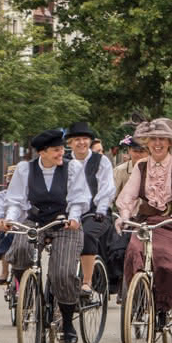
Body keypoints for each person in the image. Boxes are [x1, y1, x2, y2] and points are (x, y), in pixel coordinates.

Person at [0, 128, 90, 343]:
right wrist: (11, 219)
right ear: (42, 153)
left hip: (64, 222)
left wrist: (74, 217)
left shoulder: (72, 167)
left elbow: (78, 197)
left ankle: (67, 322)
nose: (61, 154)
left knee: (63, 273)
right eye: (56, 150)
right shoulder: (24, 169)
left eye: (61, 149)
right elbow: (16, 199)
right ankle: (25, 289)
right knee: (19, 250)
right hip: (36, 219)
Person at [114, 118, 172, 341]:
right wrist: (124, 216)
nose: (158, 144)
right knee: (134, 252)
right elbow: (129, 194)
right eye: (153, 140)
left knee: (170, 265)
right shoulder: (141, 166)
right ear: (147, 143)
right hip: (147, 222)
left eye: (162, 139)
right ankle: (143, 300)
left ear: (170, 142)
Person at [65, 121, 117, 299]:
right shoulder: (64, 161)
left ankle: (87, 281)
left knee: (86, 234)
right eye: (77, 139)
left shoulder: (100, 161)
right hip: (68, 210)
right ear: (70, 143)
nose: (81, 143)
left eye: (85, 139)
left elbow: (107, 188)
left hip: (95, 211)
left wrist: (101, 211)